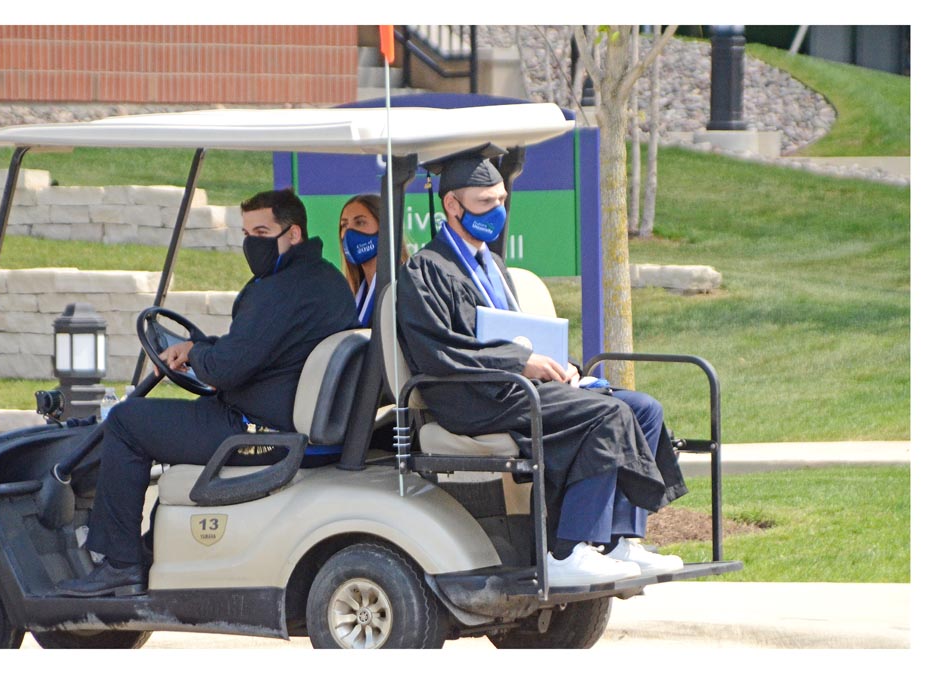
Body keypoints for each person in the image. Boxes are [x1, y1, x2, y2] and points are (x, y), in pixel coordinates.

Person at [396, 146, 686, 587]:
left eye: (500, 200)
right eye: (485, 203)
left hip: (512, 385)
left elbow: (518, 335)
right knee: (607, 413)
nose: (496, 210)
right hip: (471, 395)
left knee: (643, 407)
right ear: (451, 205)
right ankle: (568, 549)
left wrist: (564, 367)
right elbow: (441, 352)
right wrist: (522, 363)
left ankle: (621, 540)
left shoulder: (490, 265)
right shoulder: (426, 270)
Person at [56, 188, 360, 598]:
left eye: (263, 230)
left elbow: (228, 368)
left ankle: (120, 566)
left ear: (294, 234)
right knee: (173, 419)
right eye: (247, 231)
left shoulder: (279, 290)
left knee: (128, 422)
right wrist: (201, 349)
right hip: (278, 418)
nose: (253, 242)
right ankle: (152, 549)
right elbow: (258, 348)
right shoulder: (324, 280)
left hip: (255, 431)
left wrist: (200, 353)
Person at [337, 193, 409, 328]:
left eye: (360, 222)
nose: (349, 232)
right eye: (344, 225)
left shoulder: (404, 286)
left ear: (384, 228)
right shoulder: (350, 296)